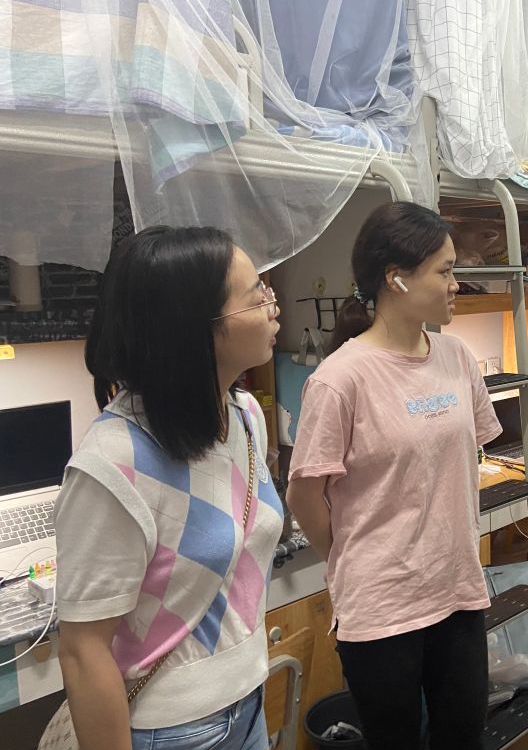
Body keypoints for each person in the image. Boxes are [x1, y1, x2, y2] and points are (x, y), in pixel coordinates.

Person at [55, 226, 283, 750]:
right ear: (198, 327)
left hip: (249, 701)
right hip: (173, 731)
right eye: (256, 296)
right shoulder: (112, 464)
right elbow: (83, 652)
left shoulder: (245, 415)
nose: (274, 306)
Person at [286, 201, 501, 750]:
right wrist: (354, 555)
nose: (456, 284)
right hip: (381, 606)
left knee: (464, 738)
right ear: (396, 278)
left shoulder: (456, 357)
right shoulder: (340, 380)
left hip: (456, 590)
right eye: (445, 271)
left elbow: (465, 457)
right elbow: (304, 495)